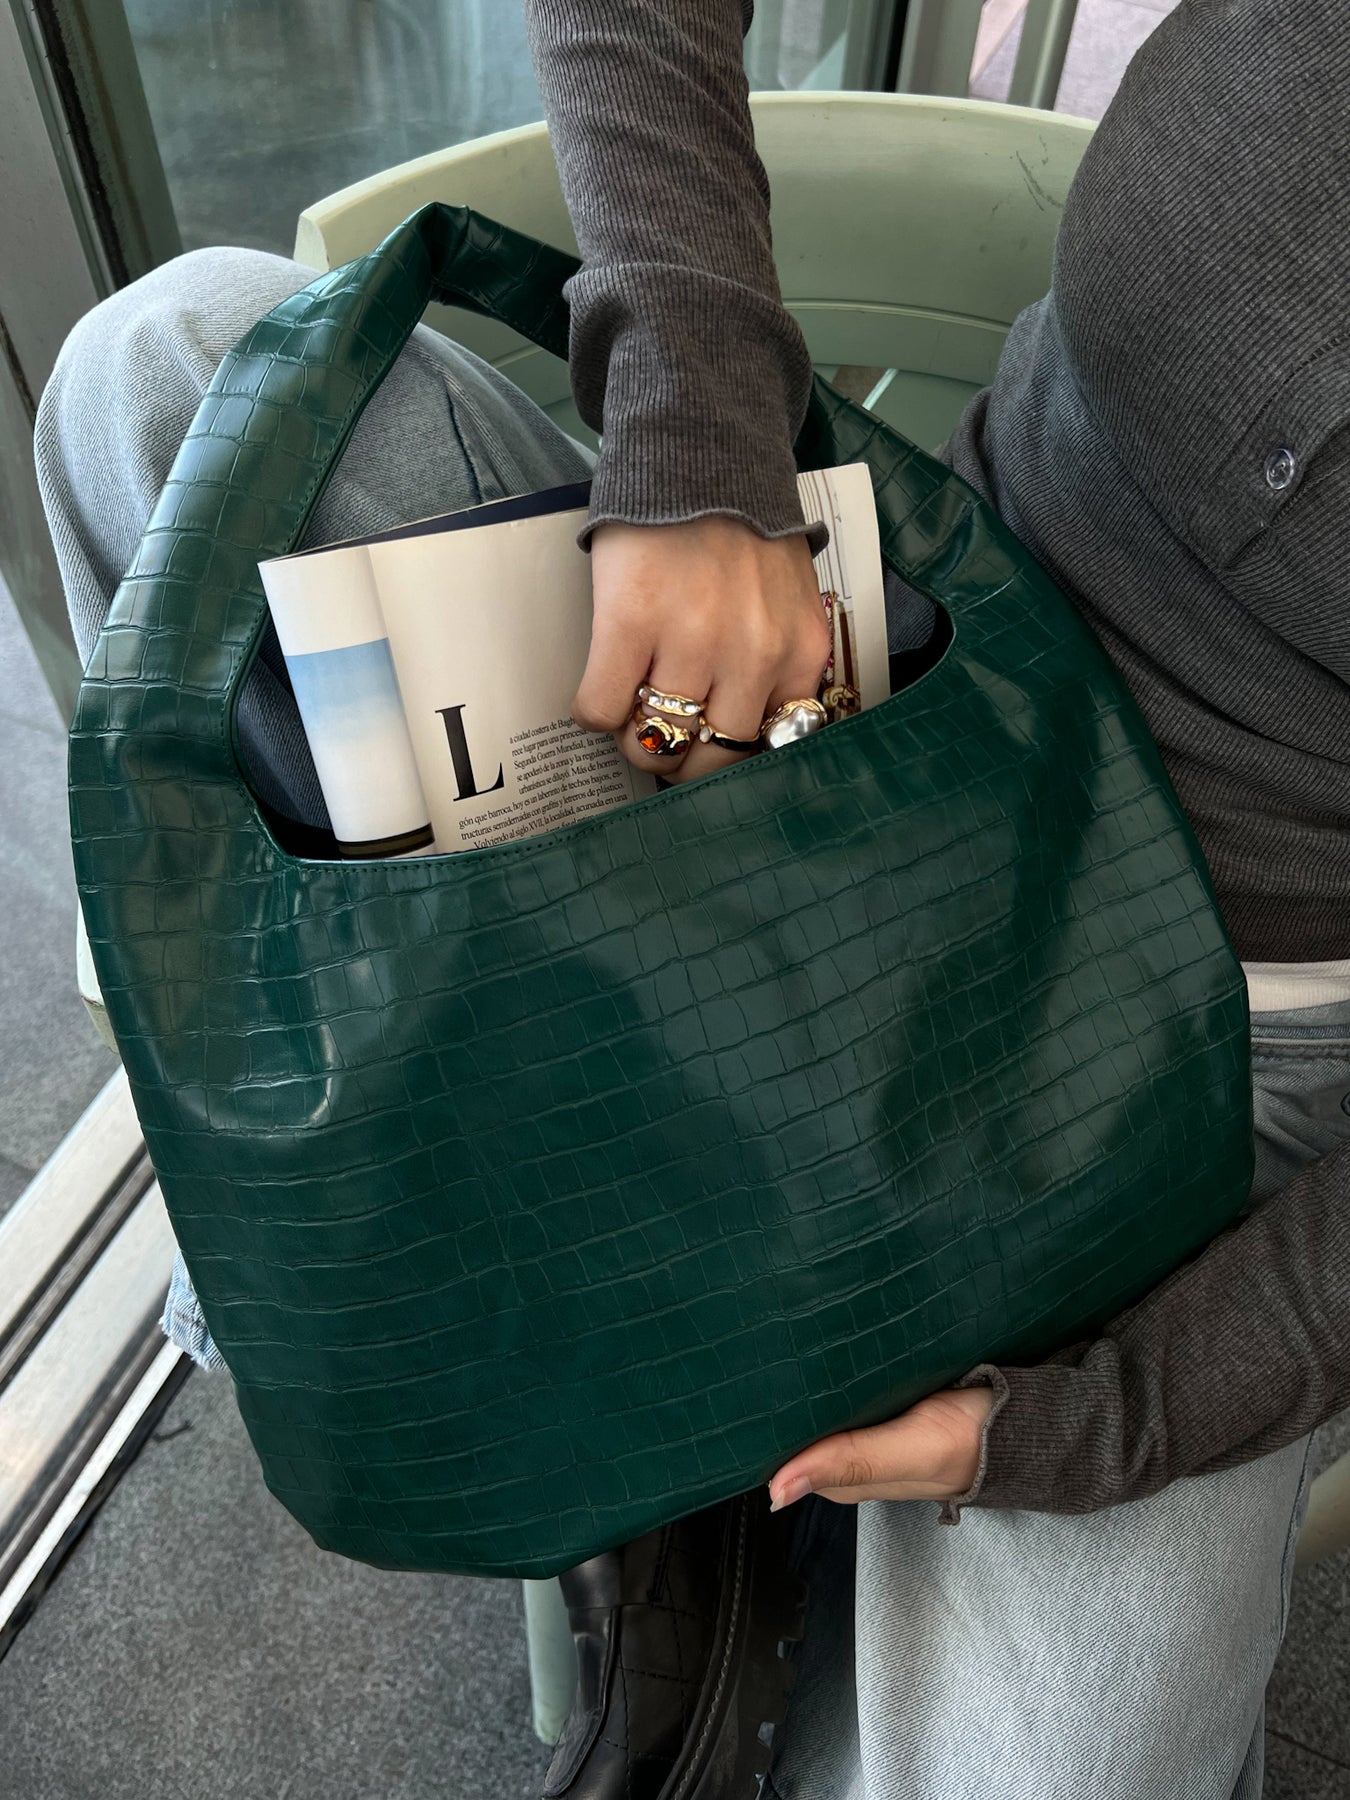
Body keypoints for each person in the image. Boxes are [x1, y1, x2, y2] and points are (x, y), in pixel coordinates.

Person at [34, 0, 1350, 1795]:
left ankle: (661, 1387)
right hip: (847, 690)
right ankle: (651, 1413)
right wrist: (698, 411)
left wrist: (1111, 1419)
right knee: (162, 364)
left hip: (1216, 1062)